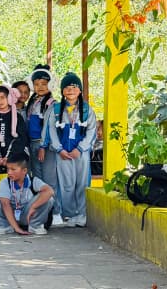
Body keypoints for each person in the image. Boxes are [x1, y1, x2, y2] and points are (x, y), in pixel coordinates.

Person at [45, 72, 97, 228]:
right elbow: (51, 131)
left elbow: (91, 131)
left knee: (82, 183)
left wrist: (80, 149)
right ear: (62, 91)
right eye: (67, 88)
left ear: (80, 90)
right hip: (63, 153)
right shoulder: (56, 109)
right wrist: (59, 149)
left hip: (81, 153)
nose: (70, 90)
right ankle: (69, 215)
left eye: (74, 87)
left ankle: (82, 214)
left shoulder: (87, 109)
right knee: (66, 184)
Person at [0, 152, 54, 235]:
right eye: (8, 169)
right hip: (9, 215)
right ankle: (5, 226)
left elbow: (50, 191)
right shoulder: (5, 182)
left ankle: (35, 226)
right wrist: (17, 228)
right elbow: (5, 204)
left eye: (13, 169)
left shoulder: (33, 180)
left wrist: (34, 207)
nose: (9, 172)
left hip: (28, 216)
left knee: (49, 198)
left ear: (24, 171)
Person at [25, 64, 60, 223]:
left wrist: (43, 146)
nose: (40, 87)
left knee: (49, 178)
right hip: (32, 144)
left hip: (45, 146)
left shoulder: (52, 103)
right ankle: (42, 213)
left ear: (50, 85)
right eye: (37, 84)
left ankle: (56, 212)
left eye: (44, 84)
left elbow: (48, 126)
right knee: (38, 180)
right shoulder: (32, 102)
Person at [0, 85, 29, 173]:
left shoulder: (17, 117)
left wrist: (10, 157)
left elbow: (21, 138)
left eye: (2, 97)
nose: (0, 101)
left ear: (9, 97)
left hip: (14, 160)